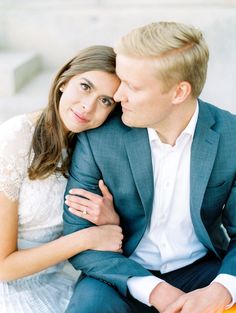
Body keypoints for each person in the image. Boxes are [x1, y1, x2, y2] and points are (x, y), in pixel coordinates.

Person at [63, 21, 236, 313]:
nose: (118, 96)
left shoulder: (230, 136)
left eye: (133, 86)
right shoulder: (100, 136)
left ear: (179, 92)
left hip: (204, 271)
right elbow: (77, 234)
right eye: (121, 80)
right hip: (120, 273)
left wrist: (222, 288)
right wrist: (153, 289)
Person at [0, 45, 123, 313]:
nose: (88, 106)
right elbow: (3, 266)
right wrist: (88, 238)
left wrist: (110, 220)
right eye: (85, 86)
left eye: (105, 101)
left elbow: (108, 231)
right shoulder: (15, 138)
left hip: (53, 278)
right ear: (64, 81)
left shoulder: (94, 147)